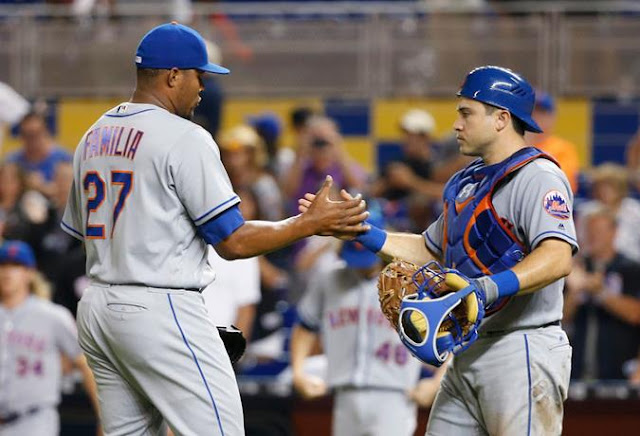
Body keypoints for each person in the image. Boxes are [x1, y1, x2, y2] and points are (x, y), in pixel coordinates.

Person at [60, 22, 368, 436]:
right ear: (172, 76)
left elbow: (82, 231)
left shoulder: (93, 135)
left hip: (99, 308)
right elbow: (233, 242)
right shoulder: (184, 136)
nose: (204, 87)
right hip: (159, 306)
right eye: (198, 76)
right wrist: (307, 224)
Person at [300, 65, 577, 435]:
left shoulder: (537, 176)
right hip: (469, 345)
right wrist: (362, 233)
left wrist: (486, 287)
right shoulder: (467, 182)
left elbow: (558, 256)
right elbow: (432, 250)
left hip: (522, 346)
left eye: (466, 113)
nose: (456, 124)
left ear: (501, 118)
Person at [291, 231, 437, 436]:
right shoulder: (330, 279)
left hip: (395, 394)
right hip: (345, 394)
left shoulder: (411, 283)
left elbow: (448, 334)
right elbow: (305, 326)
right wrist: (298, 372)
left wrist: (437, 382)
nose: (360, 265)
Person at [0, 240, 100, 436]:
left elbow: (85, 363)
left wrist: (103, 417)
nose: (8, 272)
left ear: (30, 273)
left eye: (16, 266)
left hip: (34, 421)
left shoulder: (53, 316)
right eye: (3, 265)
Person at [563, 207, 640, 380]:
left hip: (620, 369)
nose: (592, 236)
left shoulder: (631, 269)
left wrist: (600, 293)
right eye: (588, 231)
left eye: (598, 231)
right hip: (577, 369)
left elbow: (635, 314)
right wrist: (575, 291)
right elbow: (561, 319)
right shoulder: (574, 269)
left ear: (614, 232)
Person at [526, 91, 581, 193]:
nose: (537, 118)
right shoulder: (514, 144)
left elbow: (563, 183)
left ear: (552, 118)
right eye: (532, 113)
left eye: (542, 114)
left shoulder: (563, 148)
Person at [8, 112, 72, 197]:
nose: (32, 140)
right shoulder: (12, 161)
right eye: (27, 135)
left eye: (36, 133)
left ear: (46, 132)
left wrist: (42, 186)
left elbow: (71, 193)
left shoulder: (64, 159)